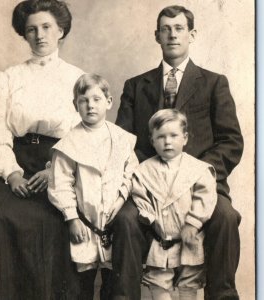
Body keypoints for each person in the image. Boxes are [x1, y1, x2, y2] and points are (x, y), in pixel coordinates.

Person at [113, 5, 244, 300]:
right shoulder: (135, 86)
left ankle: (222, 296)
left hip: (200, 185)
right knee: (124, 219)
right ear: (156, 36)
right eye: (165, 29)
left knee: (225, 216)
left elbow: (231, 141)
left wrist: (191, 175)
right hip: (148, 187)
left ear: (191, 34)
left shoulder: (213, 83)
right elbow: (122, 143)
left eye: (179, 28)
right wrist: (151, 178)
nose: (172, 35)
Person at [0, 1, 85, 299]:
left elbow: (81, 133)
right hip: (16, 160)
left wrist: (53, 170)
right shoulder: (9, 77)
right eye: (31, 29)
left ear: (60, 30)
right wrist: (12, 173)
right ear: (24, 34)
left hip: (59, 163)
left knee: (55, 218)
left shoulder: (77, 78)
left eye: (46, 27)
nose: (40, 35)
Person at [48, 73, 139, 300]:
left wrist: (120, 199)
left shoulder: (121, 138)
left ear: (108, 102)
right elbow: (60, 183)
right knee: (80, 284)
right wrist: (72, 218)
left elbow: (131, 172)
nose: (90, 105)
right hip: (83, 222)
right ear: (75, 105)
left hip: (113, 221)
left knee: (113, 282)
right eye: (84, 100)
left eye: (97, 99)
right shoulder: (69, 143)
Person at [132, 109, 217, 300]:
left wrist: (193, 223)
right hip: (160, 241)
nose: (167, 142)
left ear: (185, 138)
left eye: (173, 136)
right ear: (152, 141)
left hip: (189, 240)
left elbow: (205, 196)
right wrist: (149, 217)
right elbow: (139, 195)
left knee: (189, 285)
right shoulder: (144, 170)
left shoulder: (197, 169)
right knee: (159, 286)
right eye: (161, 137)